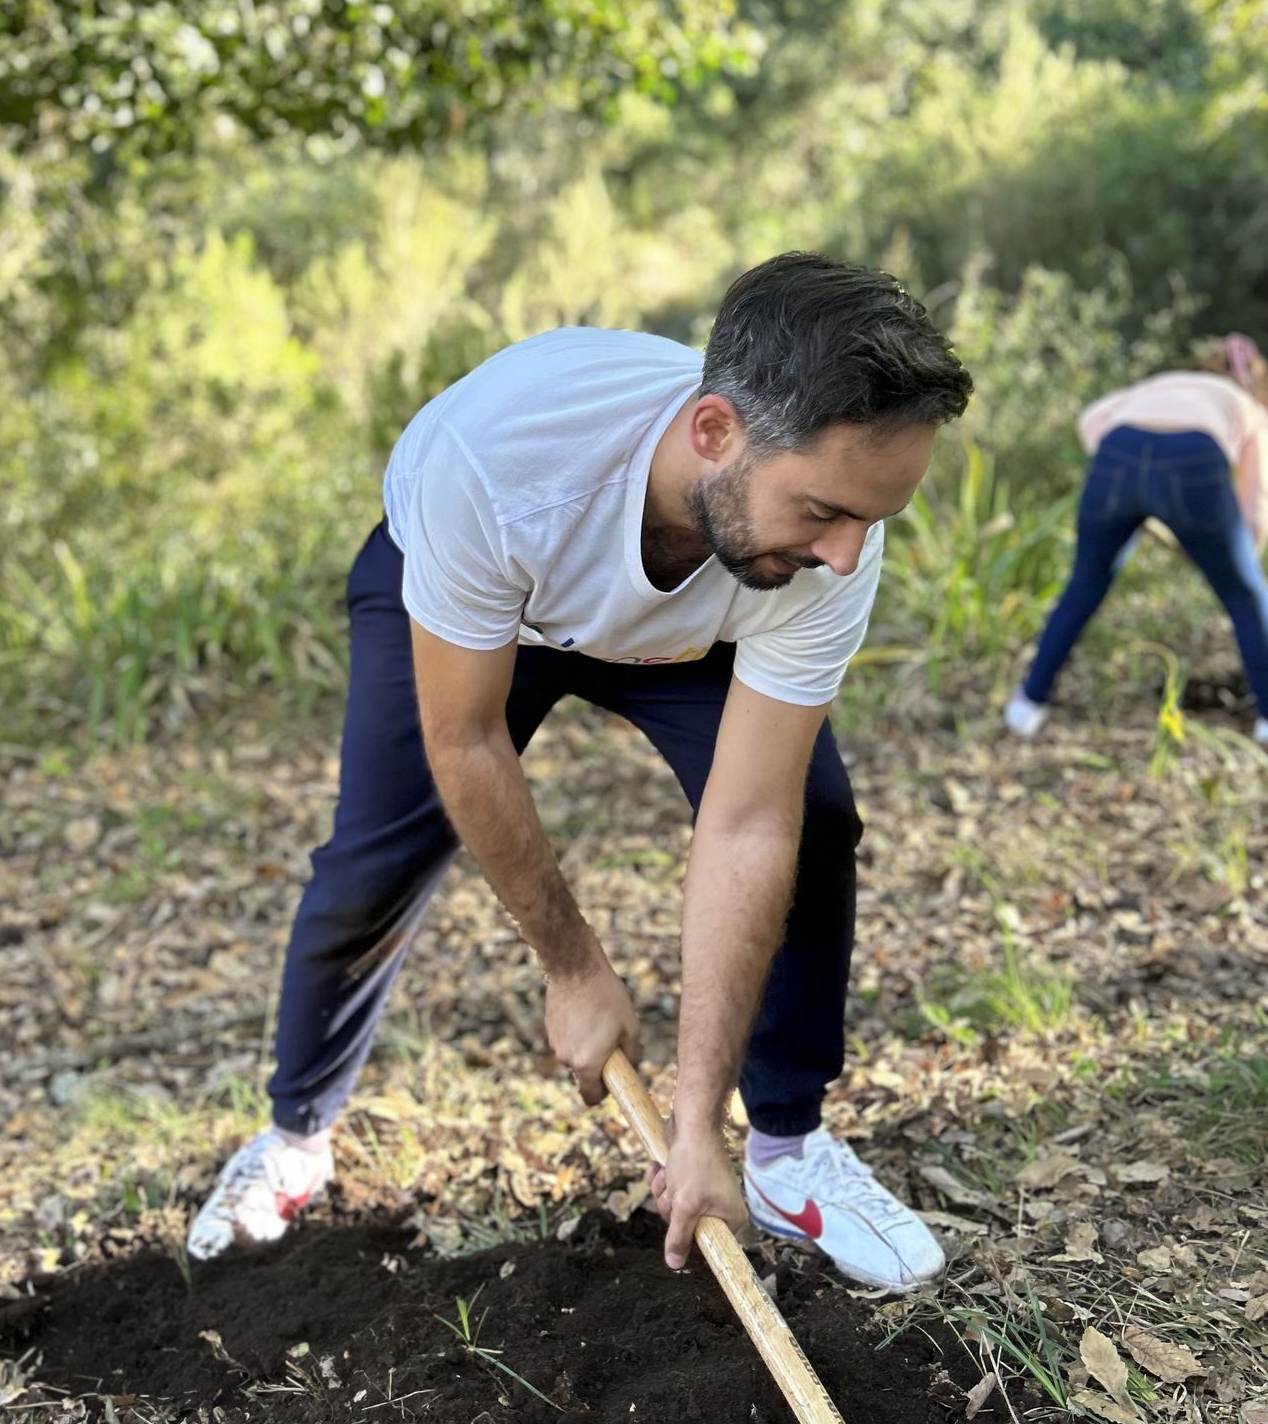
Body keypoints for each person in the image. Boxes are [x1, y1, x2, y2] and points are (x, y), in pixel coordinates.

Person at [190, 253, 973, 1287]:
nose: (845, 554)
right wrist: (571, 966)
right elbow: (467, 740)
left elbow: (747, 822)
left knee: (815, 816)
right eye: (824, 511)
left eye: (871, 521)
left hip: (695, 613)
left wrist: (694, 1125)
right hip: (488, 589)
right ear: (714, 434)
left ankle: (787, 1150)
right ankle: (293, 1133)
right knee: (375, 854)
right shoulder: (499, 462)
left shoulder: (823, 547)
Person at [1006, 336, 1268, 746]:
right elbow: (1255, 499)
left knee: (1084, 585)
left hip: (1116, 454)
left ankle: (1027, 705)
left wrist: (1134, 483)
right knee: (1246, 597)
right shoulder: (1248, 405)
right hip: (1194, 457)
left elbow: (1091, 417)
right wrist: (1239, 557)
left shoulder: (1162, 383)